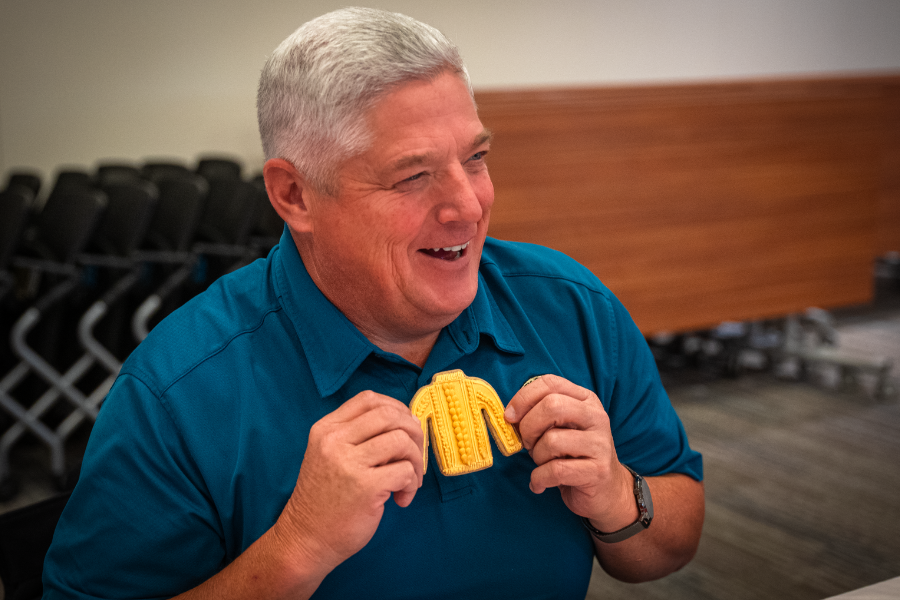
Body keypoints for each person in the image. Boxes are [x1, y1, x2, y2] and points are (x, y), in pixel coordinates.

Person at [43, 7, 703, 599]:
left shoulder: (571, 306)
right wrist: (297, 547)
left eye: (475, 159)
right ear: (295, 196)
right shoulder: (178, 391)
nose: (468, 207)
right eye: (413, 176)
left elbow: (670, 546)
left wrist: (618, 495)